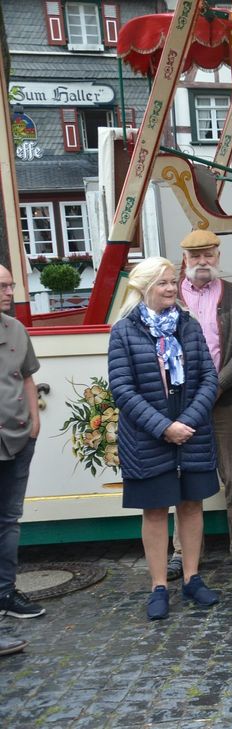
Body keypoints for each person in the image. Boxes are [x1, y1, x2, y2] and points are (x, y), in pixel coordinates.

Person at [107, 257, 221, 620]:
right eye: (163, 283)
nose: (172, 288)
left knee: (191, 505)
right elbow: (122, 389)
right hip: (147, 438)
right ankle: (158, 586)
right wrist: (163, 427)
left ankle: (192, 578)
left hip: (192, 434)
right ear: (143, 288)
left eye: (173, 281)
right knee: (155, 511)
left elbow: (209, 378)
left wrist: (186, 421)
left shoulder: (188, 325)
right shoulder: (124, 331)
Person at [164, 230, 232, 581]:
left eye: (209, 254)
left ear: (218, 256)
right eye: (195, 255)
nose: (203, 261)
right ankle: (184, 552)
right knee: (184, 478)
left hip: (228, 398)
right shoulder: (170, 295)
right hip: (182, 405)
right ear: (184, 259)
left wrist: (214, 387)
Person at [0, 265, 41, 655]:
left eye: (10, 285)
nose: (9, 291)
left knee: (10, 520)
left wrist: (34, 422)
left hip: (16, 440)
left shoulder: (15, 329)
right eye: (2, 286)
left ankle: (6, 594)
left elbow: (27, 377)